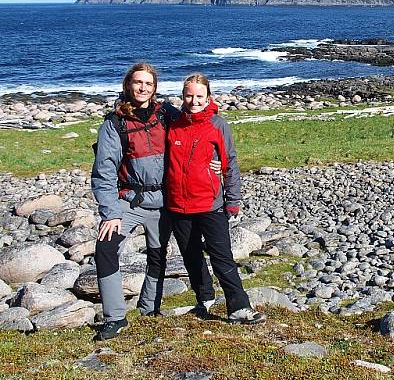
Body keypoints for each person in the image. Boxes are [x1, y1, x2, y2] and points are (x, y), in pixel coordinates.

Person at [164, 73, 266, 325]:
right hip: (178, 205)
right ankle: (205, 299)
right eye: (189, 95)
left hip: (210, 204)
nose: (194, 101)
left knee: (222, 257)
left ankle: (239, 307)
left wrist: (233, 199)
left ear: (208, 97)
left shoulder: (218, 124)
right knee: (191, 256)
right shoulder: (173, 123)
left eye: (199, 96)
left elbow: (229, 162)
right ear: (182, 96)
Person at [90, 62, 178, 340]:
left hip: (164, 202)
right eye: (138, 82)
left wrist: (215, 161)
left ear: (155, 88)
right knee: (105, 250)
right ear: (128, 85)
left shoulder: (167, 114)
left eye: (148, 84)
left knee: (158, 255)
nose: (143, 88)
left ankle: (150, 309)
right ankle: (115, 317)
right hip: (128, 201)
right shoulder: (114, 123)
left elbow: (195, 135)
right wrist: (110, 212)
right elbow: (103, 171)